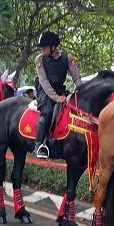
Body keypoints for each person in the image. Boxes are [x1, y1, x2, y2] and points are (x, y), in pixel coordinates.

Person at [33, 31, 82, 159]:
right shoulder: (40, 60)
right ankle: (39, 145)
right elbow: (44, 82)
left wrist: (81, 90)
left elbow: (76, 78)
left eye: (44, 47)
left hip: (61, 90)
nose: (42, 50)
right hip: (45, 91)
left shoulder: (68, 58)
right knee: (47, 112)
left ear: (53, 47)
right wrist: (56, 97)